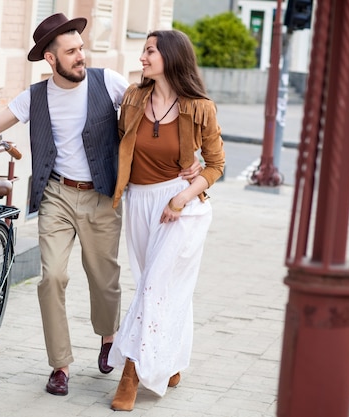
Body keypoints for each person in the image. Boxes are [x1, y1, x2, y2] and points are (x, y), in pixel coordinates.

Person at [0, 15, 200, 397]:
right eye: (71, 52)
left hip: (101, 194)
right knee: (52, 277)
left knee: (103, 278)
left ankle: (109, 338)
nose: (80, 57)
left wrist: (192, 160)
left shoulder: (107, 83)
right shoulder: (35, 97)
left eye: (81, 48)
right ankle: (60, 364)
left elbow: (154, 108)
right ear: (51, 60)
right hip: (56, 194)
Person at [107, 29, 225, 411]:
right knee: (157, 285)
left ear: (171, 57)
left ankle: (132, 372)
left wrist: (182, 197)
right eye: (143, 51)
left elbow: (216, 164)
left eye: (150, 51)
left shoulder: (199, 106)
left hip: (180, 206)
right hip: (139, 201)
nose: (142, 58)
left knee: (155, 286)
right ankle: (171, 359)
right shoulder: (133, 98)